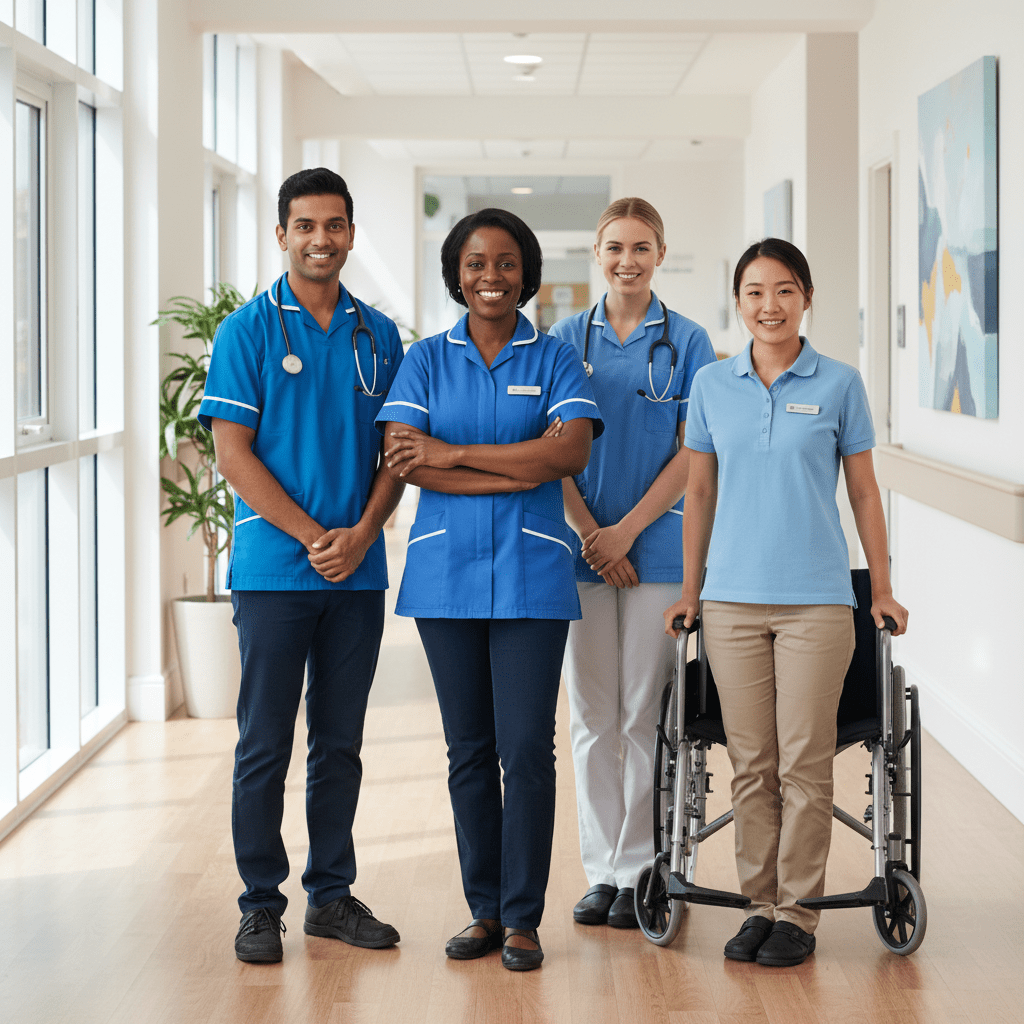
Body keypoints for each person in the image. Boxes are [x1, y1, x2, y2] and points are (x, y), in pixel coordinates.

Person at [664, 238, 908, 967]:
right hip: (732, 603)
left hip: (817, 604)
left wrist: (884, 586)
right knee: (750, 764)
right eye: (754, 292)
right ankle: (756, 905)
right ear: (737, 302)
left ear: (806, 297)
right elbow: (699, 490)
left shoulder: (839, 384)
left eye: (783, 291)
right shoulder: (711, 385)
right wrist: (690, 589)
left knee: (804, 763)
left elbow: (864, 490)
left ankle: (796, 914)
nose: (768, 306)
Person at [376, 209, 602, 971]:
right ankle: (483, 909)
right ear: (457, 273)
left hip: (534, 578)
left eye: (506, 263)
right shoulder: (425, 360)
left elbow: (566, 454)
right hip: (444, 580)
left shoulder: (559, 357)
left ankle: (523, 919)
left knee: (527, 752)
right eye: (476, 263)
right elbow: (407, 462)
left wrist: (457, 452)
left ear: (526, 272)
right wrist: (513, 459)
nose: (491, 277)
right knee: (468, 750)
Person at [199, 167, 405, 964]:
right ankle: (260, 904)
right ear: (282, 234)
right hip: (273, 571)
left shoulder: (377, 337)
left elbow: (399, 451)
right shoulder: (247, 332)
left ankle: (330, 896)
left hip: (356, 570)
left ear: (352, 234)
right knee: (264, 744)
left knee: (341, 740)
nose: (322, 238)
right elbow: (231, 454)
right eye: (306, 225)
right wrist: (316, 533)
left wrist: (359, 533)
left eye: (336, 224)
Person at [547, 198, 717, 928]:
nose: (628, 260)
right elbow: (550, 451)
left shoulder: (690, 340)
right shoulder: (561, 339)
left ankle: (644, 867)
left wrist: (626, 531)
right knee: (591, 716)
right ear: (596, 251)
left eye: (641, 247)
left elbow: (694, 451)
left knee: (644, 714)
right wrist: (592, 532)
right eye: (615, 246)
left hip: (655, 552)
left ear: (660, 252)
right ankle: (602, 871)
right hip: (580, 550)